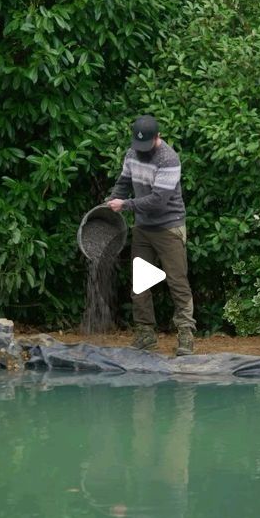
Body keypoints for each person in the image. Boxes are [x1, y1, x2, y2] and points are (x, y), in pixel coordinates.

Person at [106, 114, 196, 356]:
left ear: (158, 137)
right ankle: (146, 334)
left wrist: (124, 205)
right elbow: (123, 182)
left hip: (169, 227)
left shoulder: (169, 159)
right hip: (143, 229)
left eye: (147, 145)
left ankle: (186, 335)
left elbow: (158, 201)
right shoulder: (132, 153)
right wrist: (112, 201)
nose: (142, 151)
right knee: (141, 282)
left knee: (177, 282)